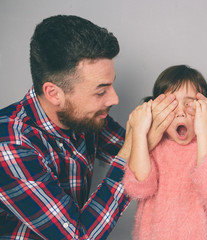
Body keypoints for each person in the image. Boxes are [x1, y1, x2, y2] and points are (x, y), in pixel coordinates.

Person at [0, 15, 178, 239]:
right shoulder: (9, 145)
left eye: (111, 85)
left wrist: (182, 123)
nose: (114, 99)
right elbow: (78, 236)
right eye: (100, 91)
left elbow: (151, 153)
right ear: (54, 93)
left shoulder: (84, 117)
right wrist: (132, 150)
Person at [122, 65, 207, 240]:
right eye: (171, 104)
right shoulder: (153, 147)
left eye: (190, 104)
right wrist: (139, 132)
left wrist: (204, 131)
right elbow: (139, 188)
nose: (180, 112)